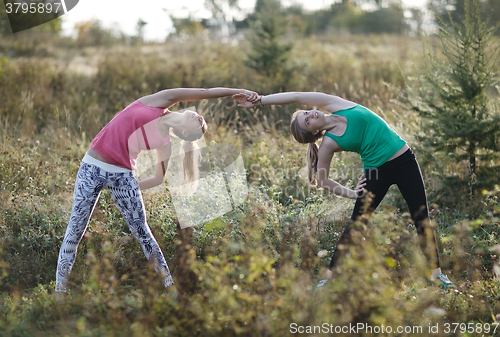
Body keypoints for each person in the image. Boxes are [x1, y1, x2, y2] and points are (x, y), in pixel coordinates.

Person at [233, 91, 455, 289]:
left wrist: (260, 100)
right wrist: (352, 193)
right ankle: (330, 278)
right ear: (313, 132)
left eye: (307, 114)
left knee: (421, 217)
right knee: (357, 225)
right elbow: (322, 180)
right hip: (376, 171)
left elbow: (296, 97)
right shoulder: (329, 143)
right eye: (307, 121)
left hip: (404, 160)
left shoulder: (335, 104)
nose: (311, 115)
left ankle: (436, 275)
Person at [56, 87, 259, 295]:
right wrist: (236, 91)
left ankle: (171, 290)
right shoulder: (160, 101)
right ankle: (59, 294)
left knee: (143, 234)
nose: (199, 116)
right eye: (201, 117)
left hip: (123, 175)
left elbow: (157, 178)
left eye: (199, 122)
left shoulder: (165, 144)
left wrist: (130, 188)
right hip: (92, 165)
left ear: (186, 133)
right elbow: (203, 91)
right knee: (75, 232)